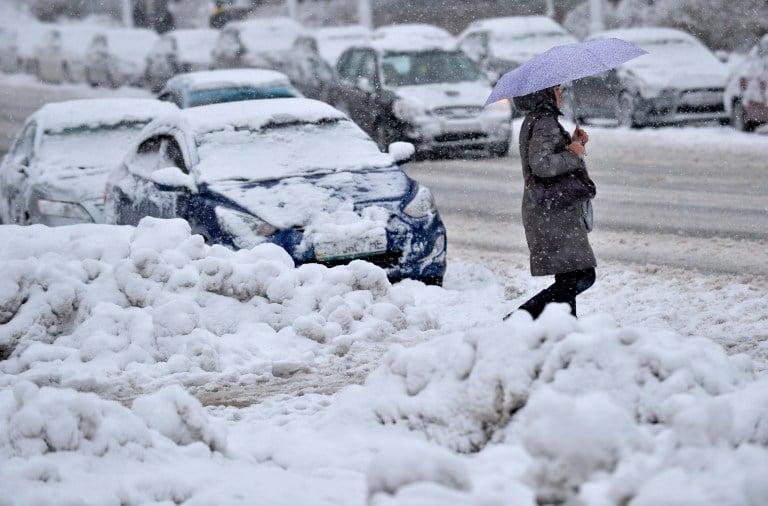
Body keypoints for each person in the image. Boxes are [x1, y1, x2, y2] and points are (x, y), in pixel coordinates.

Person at [505, 84, 596, 320]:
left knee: (569, 278)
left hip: (549, 209)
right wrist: (573, 154)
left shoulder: (538, 119)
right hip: (553, 212)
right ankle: (519, 318)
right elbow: (542, 164)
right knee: (581, 276)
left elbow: (545, 157)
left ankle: (564, 328)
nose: (562, 93)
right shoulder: (545, 121)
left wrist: (572, 144)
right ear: (543, 92)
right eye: (557, 89)